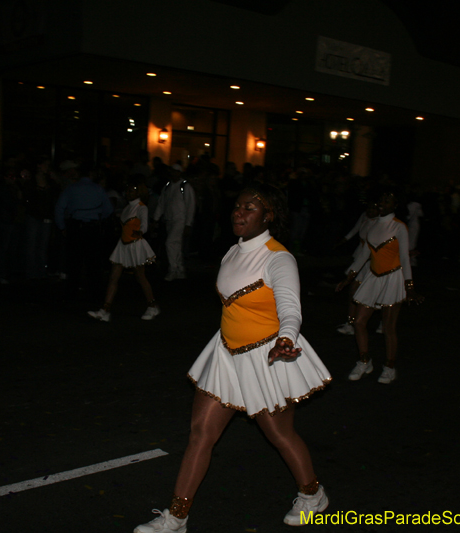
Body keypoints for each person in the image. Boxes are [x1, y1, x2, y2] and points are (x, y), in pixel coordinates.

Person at [134, 183, 332, 532]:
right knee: (200, 434)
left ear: (268, 216)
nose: (239, 213)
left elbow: (290, 308)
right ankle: (177, 517)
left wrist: (286, 337)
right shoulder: (232, 251)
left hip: (266, 358)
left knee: (280, 435)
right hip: (226, 354)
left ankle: (313, 494)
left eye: (250, 208)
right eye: (237, 206)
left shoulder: (278, 257)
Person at [336, 188, 423, 384]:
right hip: (373, 278)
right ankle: (364, 361)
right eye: (381, 199)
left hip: (393, 278)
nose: (383, 202)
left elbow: (404, 258)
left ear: (395, 206)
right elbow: (363, 256)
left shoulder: (399, 227)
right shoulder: (373, 226)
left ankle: (390, 367)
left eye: (388, 200)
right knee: (358, 322)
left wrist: (409, 286)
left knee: (389, 328)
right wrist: (348, 278)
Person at [88, 180, 159, 322]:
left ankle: (152, 306)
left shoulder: (141, 207)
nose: (128, 193)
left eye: (132, 190)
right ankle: (105, 310)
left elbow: (145, 224)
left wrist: (141, 231)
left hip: (135, 245)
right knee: (114, 277)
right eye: (127, 191)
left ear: (139, 192)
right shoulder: (127, 207)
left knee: (140, 277)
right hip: (123, 245)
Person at [54, 161, 113, 301]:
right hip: (92, 228)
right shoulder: (98, 189)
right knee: (93, 263)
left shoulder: (71, 188)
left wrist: (62, 226)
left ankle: (71, 292)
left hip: (75, 227)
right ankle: (95, 293)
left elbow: (59, 209)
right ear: (91, 174)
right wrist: (98, 217)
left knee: (74, 262)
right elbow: (109, 209)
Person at [335, 200, 379, 335]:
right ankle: (351, 323)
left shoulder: (381, 224)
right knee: (353, 290)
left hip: (373, 262)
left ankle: (382, 321)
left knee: (375, 295)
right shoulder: (365, 217)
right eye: (369, 208)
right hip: (361, 257)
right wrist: (344, 240)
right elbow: (355, 229)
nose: (370, 211)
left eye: (374, 208)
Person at [153, 164, 195, 281]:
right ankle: (179, 269)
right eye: (172, 171)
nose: (174, 174)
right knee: (175, 245)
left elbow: (190, 206)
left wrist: (188, 223)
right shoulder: (168, 186)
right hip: (169, 219)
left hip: (180, 220)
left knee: (170, 243)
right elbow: (161, 203)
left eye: (176, 171)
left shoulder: (185, 186)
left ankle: (173, 269)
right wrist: (156, 218)